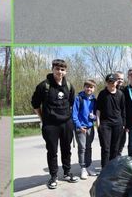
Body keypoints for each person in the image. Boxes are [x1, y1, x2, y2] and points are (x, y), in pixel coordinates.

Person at [31, 59, 79, 190]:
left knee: (66, 149)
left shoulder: (69, 86)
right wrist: (43, 118)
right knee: (52, 151)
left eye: (62, 69)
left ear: (66, 71)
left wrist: (69, 119)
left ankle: (67, 173)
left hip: (66, 123)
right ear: (52, 69)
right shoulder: (44, 86)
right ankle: (53, 176)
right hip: (50, 125)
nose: (60, 72)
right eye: (57, 69)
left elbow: (71, 104)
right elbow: (35, 104)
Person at [97, 74, 126, 169]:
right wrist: (98, 123)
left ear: (116, 82)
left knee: (115, 148)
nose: (112, 84)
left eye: (113, 81)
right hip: (105, 124)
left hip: (118, 124)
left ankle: (112, 169)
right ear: (106, 83)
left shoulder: (121, 94)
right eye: (110, 82)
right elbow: (98, 110)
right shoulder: (102, 94)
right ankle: (104, 169)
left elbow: (123, 110)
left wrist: (123, 124)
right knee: (106, 148)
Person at [72, 79, 98, 179]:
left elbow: (97, 115)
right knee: (82, 148)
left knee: (89, 147)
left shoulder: (94, 100)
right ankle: (83, 168)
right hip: (81, 128)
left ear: (94, 89)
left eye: (91, 87)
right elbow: (74, 115)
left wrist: (94, 117)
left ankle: (88, 166)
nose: (89, 89)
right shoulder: (79, 98)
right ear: (84, 87)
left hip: (90, 127)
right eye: (87, 86)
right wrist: (79, 126)